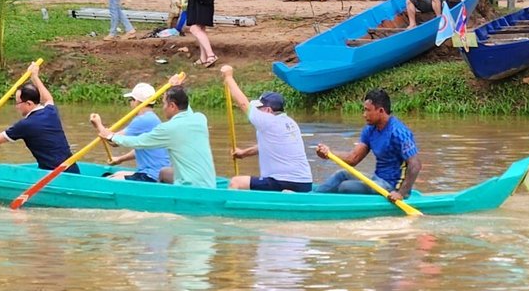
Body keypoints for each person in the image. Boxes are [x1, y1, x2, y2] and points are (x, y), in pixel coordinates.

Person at [0, 60, 77, 172]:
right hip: (72, 170)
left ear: (29, 103)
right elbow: (48, 98)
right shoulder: (51, 112)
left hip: (53, 177)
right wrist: (35, 76)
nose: (16, 107)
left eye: (18, 103)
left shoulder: (27, 124)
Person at [92, 84, 216, 188]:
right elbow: (184, 105)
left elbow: (138, 142)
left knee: (110, 180)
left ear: (172, 106)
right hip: (208, 183)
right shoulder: (200, 118)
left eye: (164, 104)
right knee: (163, 172)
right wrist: (174, 85)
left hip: (189, 186)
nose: (163, 108)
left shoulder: (168, 129)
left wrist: (109, 135)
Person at [313, 87, 421, 203]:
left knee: (345, 187)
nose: (364, 115)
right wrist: (328, 153)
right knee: (341, 174)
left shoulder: (399, 132)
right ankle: (312, 198)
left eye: (367, 110)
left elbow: (415, 165)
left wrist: (401, 193)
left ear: (380, 111)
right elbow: (353, 158)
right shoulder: (370, 130)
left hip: (391, 188)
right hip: (376, 180)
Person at [220, 64, 312, 192]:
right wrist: (244, 153)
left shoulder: (267, 120)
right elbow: (269, 145)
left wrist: (229, 77)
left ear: (268, 110)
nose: (257, 111)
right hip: (305, 183)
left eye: (260, 108)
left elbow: (243, 104)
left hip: (282, 181)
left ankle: (232, 211)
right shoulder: (290, 123)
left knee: (236, 182)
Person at [95, 83, 170, 181]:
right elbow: (141, 148)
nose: (130, 103)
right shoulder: (152, 118)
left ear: (137, 102)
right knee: (117, 174)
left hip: (151, 176)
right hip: (154, 173)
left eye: (131, 100)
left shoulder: (143, 120)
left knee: (110, 179)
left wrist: (98, 125)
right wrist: (120, 159)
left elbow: (113, 141)